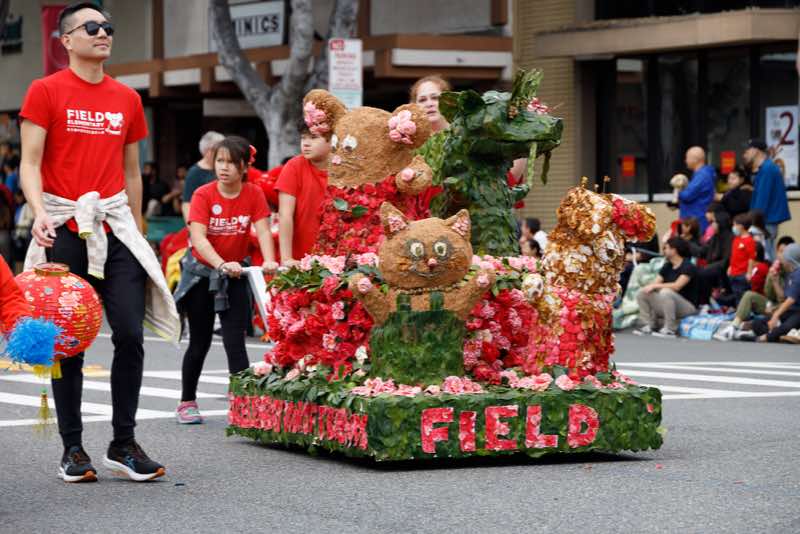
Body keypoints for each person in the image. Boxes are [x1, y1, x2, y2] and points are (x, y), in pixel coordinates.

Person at [19, 2, 179, 482]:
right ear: (66, 39)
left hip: (115, 227)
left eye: (108, 26)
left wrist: (137, 229)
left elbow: (132, 172)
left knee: (130, 333)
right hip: (64, 225)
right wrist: (39, 212)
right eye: (92, 27)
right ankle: (72, 448)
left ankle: (123, 443)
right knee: (68, 340)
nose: (103, 33)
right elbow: (30, 162)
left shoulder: (127, 98)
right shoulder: (45, 90)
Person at [173, 136, 277, 424]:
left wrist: (269, 261)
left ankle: (244, 406)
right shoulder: (203, 194)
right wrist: (220, 264)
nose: (224, 167)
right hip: (202, 275)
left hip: (236, 275)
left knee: (235, 342)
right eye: (220, 161)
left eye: (231, 162)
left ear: (244, 167)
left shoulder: (253, 193)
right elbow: (198, 238)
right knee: (200, 341)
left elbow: (263, 230)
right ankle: (187, 401)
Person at [276, 122, 331, 265]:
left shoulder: (345, 169)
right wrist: (286, 258)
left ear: (332, 139)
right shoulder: (294, 166)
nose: (305, 143)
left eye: (313, 137)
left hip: (338, 256)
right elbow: (285, 215)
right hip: (299, 258)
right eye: (303, 138)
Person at [633, 237, 699, 338]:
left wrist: (656, 286)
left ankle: (670, 329)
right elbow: (655, 283)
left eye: (666, 248)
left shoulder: (688, 266)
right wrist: (652, 286)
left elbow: (677, 286)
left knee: (666, 292)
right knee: (643, 292)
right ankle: (650, 324)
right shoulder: (667, 266)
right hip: (669, 304)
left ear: (674, 250)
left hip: (688, 307)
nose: (664, 250)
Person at [736, 243, 800, 343]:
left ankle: (765, 337)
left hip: (797, 312)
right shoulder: (790, 273)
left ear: (790, 259)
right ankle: (780, 336)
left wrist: (776, 315)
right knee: (757, 323)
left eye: (784, 256)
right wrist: (774, 280)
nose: (781, 259)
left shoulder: (798, 274)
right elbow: (782, 298)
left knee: (787, 325)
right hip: (789, 310)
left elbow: (790, 300)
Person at [714, 242, 771, 341]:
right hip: (746, 302)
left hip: (761, 303)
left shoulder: (760, 268)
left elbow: (749, 288)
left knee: (746, 295)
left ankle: (733, 327)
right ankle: (735, 326)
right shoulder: (750, 268)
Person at [744, 139, 790, 260]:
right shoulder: (766, 168)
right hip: (766, 219)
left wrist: (754, 221)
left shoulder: (767, 169)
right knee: (766, 253)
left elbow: (762, 200)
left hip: (765, 220)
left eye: (749, 149)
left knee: (766, 255)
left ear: (756, 151)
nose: (746, 152)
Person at [182, 131, 224, 222]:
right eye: (219, 149)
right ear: (208, 151)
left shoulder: (223, 168)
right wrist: (192, 226)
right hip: (203, 221)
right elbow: (187, 203)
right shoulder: (194, 172)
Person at [695, 210, 733, 304]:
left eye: (714, 222)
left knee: (702, 273)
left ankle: (705, 302)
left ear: (721, 223)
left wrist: (707, 268)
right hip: (713, 266)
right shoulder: (715, 237)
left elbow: (726, 261)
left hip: (723, 269)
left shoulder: (730, 238)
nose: (712, 225)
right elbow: (702, 251)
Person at [720, 212, 757, 306]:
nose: (733, 227)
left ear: (741, 226)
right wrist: (730, 267)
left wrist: (749, 272)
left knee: (742, 295)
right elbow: (733, 256)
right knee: (736, 294)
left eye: (735, 225)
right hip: (734, 272)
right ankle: (738, 310)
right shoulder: (736, 239)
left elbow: (751, 258)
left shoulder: (749, 240)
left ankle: (744, 311)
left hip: (742, 274)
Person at [678, 146, 716, 233]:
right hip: (696, 218)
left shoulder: (702, 176)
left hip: (697, 220)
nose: (685, 161)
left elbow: (687, 195)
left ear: (695, 159)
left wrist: (678, 190)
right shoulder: (701, 174)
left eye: (687, 158)